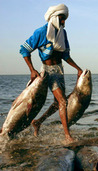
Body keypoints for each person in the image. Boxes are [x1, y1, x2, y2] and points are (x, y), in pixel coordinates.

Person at [20, 4, 83, 143]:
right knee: (62, 101)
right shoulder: (41, 32)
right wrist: (32, 70)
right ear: (54, 17)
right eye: (61, 18)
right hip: (47, 71)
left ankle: (38, 122)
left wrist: (78, 69)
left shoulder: (62, 34)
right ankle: (68, 136)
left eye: (64, 19)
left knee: (57, 103)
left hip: (59, 71)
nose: (63, 22)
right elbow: (24, 50)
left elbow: (66, 56)